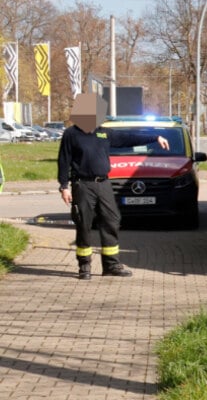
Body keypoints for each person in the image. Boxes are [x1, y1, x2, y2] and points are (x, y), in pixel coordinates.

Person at [57, 94, 169, 280]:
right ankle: (84, 266)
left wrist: (155, 137)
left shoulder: (104, 133)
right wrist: (64, 186)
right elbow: (63, 161)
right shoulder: (71, 134)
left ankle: (111, 265)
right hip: (82, 185)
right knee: (84, 224)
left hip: (104, 184)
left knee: (111, 221)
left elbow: (129, 138)